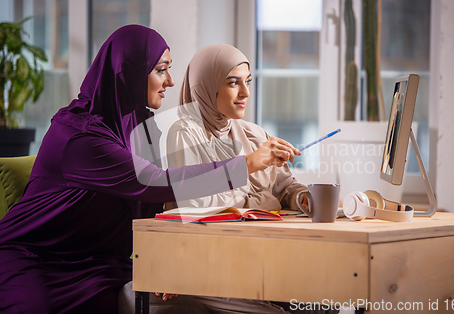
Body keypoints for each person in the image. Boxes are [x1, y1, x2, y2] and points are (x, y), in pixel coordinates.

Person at [0, 25, 300, 314]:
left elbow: (162, 206)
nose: (170, 81)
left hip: (100, 263)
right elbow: (156, 183)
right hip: (34, 257)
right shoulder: (78, 137)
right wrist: (246, 164)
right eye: (160, 70)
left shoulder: (142, 125)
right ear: (128, 73)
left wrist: (167, 260)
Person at [166, 43, 308, 212]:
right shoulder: (184, 133)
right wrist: (261, 202)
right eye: (233, 83)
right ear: (206, 86)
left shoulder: (254, 134)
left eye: (247, 81)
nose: (246, 92)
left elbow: (285, 188)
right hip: (203, 238)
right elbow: (195, 203)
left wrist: (303, 197)